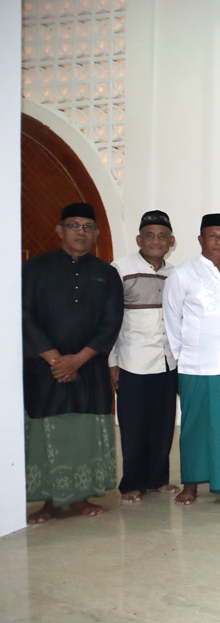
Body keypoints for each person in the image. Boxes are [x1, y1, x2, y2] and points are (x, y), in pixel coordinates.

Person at [23, 202, 124, 523]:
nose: (81, 232)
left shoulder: (106, 274)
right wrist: (54, 358)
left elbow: (111, 322)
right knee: (47, 432)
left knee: (84, 430)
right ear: (60, 230)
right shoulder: (35, 269)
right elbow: (22, 315)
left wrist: (78, 360)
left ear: (95, 234)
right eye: (74, 225)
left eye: (87, 227)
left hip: (89, 367)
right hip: (44, 368)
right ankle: (50, 501)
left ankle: (81, 497)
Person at [164, 214, 220, 505]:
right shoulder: (184, 274)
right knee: (195, 424)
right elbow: (171, 319)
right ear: (201, 239)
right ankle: (190, 483)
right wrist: (181, 359)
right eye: (212, 235)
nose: (219, 240)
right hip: (196, 362)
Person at [109, 210, 180, 503]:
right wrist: (111, 362)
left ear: (171, 241)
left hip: (168, 361)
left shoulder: (175, 273)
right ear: (139, 239)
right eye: (149, 235)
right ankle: (132, 483)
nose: (156, 240)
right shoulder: (119, 269)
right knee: (134, 426)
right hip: (132, 361)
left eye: (162, 235)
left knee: (163, 424)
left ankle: (157, 479)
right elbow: (110, 319)